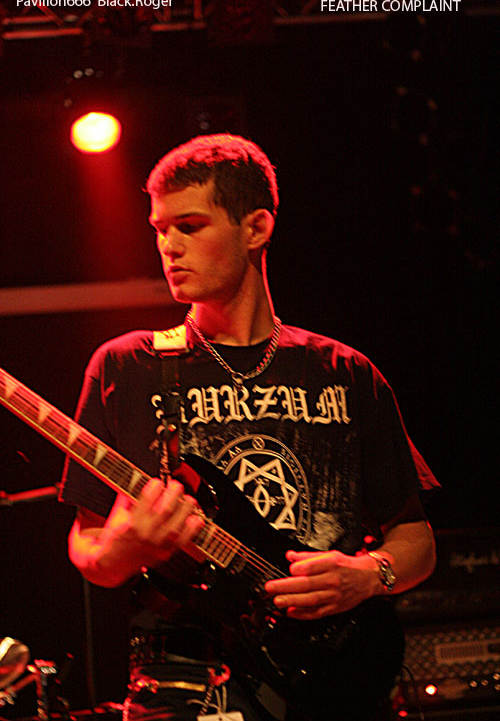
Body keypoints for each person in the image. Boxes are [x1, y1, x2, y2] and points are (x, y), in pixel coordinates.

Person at [59, 133, 439, 721]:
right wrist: (124, 545)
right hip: (185, 684)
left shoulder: (345, 372)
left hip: (329, 681)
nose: (168, 247)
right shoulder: (127, 365)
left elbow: (417, 540)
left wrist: (368, 575)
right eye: (160, 229)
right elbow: (88, 547)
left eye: (190, 226)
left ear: (256, 227)